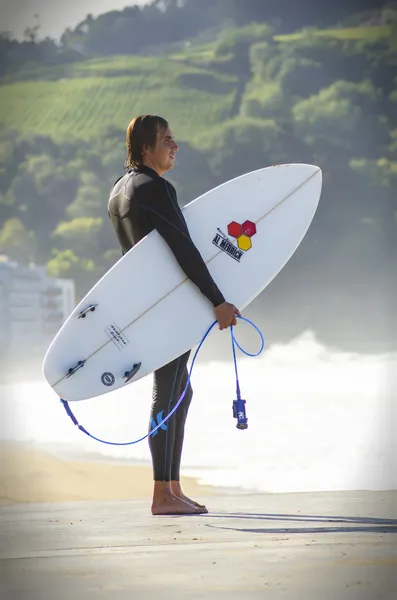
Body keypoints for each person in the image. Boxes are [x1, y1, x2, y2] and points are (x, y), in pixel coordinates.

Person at [107, 115, 240, 515]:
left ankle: (172, 487)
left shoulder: (120, 190)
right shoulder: (155, 188)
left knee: (179, 391)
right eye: (167, 140)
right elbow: (183, 248)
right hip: (166, 304)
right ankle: (162, 494)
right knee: (168, 392)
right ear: (146, 148)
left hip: (148, 301)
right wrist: (217, 299)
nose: (174, 145)